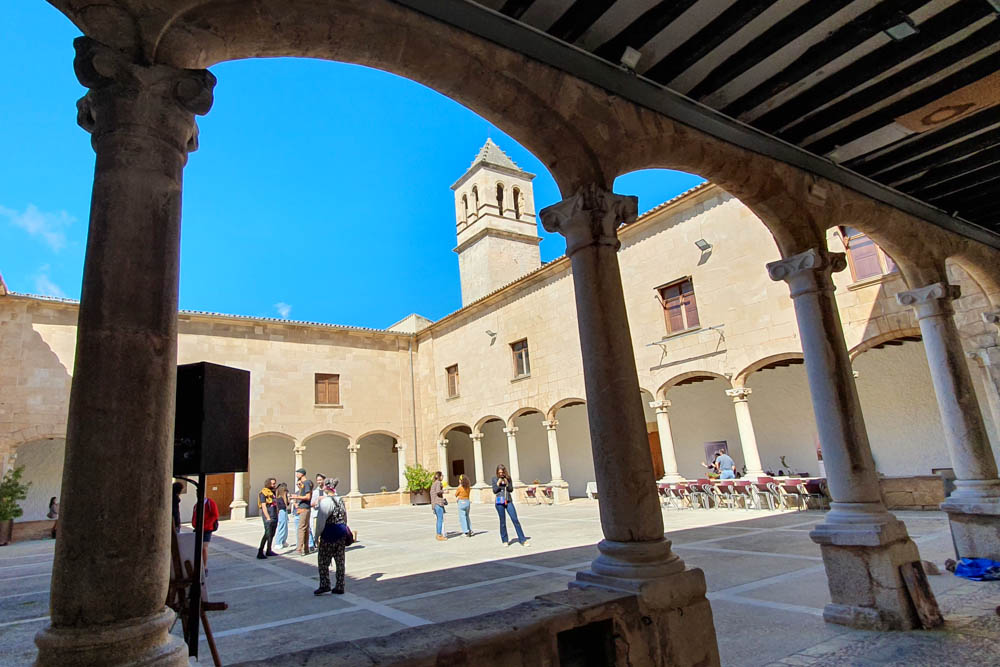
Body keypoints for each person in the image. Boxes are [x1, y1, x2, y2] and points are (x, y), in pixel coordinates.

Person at [314, 478, 348, 595]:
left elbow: (320, 521)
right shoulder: (340, 500)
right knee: (340, 561)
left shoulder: (325, 502)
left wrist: (316, 536)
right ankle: (340, 585)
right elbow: (344, 517)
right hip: (341, 532)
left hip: (329, 533)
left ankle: (325, 584)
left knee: (323, 560)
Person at [492, 464, 527, 546]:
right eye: (499, 472)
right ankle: (505, 540)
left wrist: (507, 484)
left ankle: (522, 539)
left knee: (515, 519)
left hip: (508, 500)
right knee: (502, 521)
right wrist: (498, 483)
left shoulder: (508, 478)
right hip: (499, 501)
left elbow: (511, 490)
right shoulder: (494, 479)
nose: (501, 474)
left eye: (502, 472)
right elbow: (495, 491)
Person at [191, 495, 220, 570]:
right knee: (198, 548)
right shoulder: (196, 505)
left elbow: (215, 515)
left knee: (204, 547)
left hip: (207, 529)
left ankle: (204, 566)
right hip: (198, 529)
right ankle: (199, 565)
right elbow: (194, 516)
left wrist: (206, 525)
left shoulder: (210, 503)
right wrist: (194, 524)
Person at [290, 468, 314, 556]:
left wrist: (296, 497)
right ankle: (306, 548)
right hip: (304, 507)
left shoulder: (307, 483)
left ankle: (299, 549)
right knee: (305, 528)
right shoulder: (305, 484)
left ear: (302, 474)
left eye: (297, 474)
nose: (296, 475)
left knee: (301, 528)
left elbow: (308, 497)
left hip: (304, 508)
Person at [257, 477, 279, 559]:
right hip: (268, 516)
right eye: (272, 483)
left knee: (272, 534)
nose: (274, 485)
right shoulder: (263, 493)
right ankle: (260, 551)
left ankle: (269, 550)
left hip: (274, 515)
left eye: (274, 483)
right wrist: (268, 517)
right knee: (267, 534)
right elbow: (263, 506)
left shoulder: (273, 493)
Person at [430, 471, 447, 541]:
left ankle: (438, 534)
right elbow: (438, 491)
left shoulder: (434, 483)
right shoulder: (438, 483)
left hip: (435, 503)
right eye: (442, 475)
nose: (443, 477)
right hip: (438, 503)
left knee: (438, 520)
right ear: (439, 476)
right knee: (440, 519)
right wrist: (444, 491)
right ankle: (439, 535)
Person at [274, 482, 290, 549]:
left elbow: (287, 504)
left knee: (285, 527)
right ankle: (278, 542)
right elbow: (284, 506)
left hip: (284, 512)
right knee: (282, 527)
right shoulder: (279, 499)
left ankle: (283, 541)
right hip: (282, 512)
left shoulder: (282, 498)